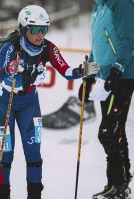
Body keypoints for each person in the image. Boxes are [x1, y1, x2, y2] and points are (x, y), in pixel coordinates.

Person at [0, 5, 99, 199]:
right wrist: (11, 68)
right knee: (5, 155)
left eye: (44, 29)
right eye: (34, 29)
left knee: (34, 153)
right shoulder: (12, 46)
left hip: (29, 103)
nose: (40, 34)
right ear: (24, 29)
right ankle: (2, 195)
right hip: (3, 102)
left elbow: (65, 70)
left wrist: (81, 71)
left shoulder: (48, 47)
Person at [78, 0, 134, 198]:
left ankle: (120, 184)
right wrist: (88, 77)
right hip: (105, 78)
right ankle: (115, 184)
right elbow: (96, 48)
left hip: (122, 76)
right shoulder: (99, 7)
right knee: (114, 130)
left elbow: (129, 38)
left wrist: (117, 69)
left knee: (108, 131)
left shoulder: (120, 3)